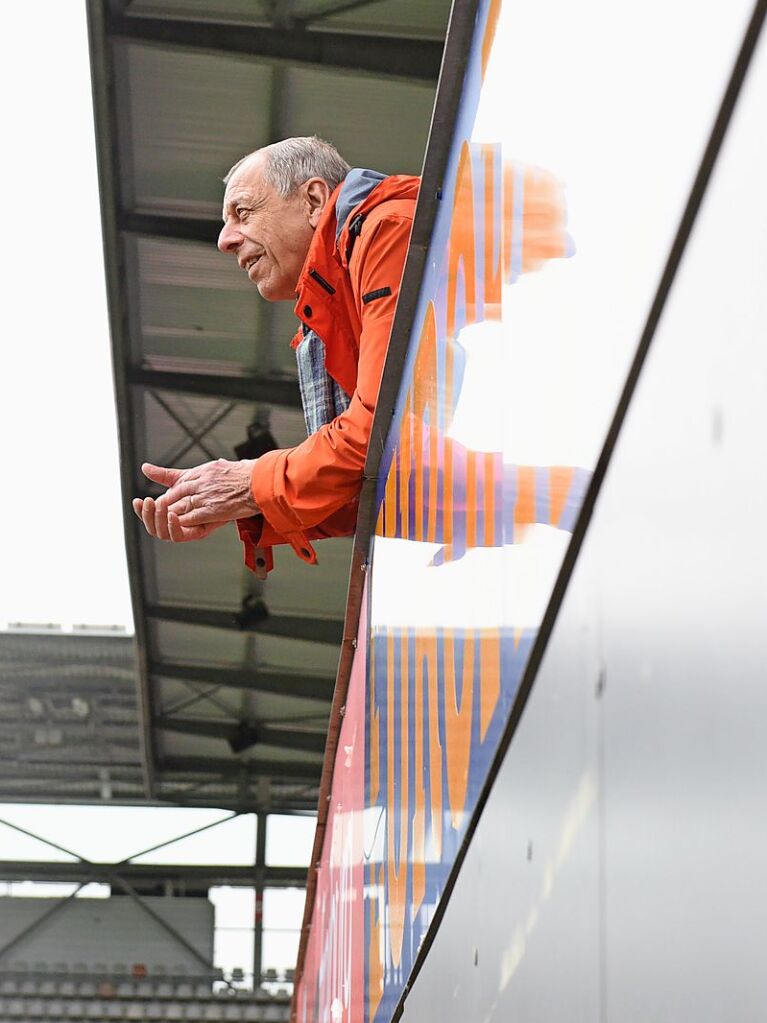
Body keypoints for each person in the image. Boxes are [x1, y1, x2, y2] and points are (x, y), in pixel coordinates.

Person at [132, 136, 419, 574]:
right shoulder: (326, 308)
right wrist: (244, 505)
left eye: (242, 213)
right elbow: (370, 482)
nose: (224, 240)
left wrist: (250, 484)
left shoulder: (387, 230)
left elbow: (382, 434)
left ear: (314, 200)